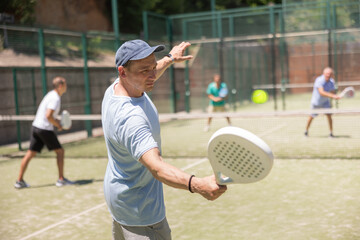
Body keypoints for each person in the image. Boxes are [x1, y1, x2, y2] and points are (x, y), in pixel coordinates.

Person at [101, 39, 227, 240]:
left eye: (153, 67)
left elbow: (151, 71)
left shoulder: (116, 88)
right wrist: (197, 184)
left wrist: (169, 59)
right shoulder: (131, 119)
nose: (152, 75)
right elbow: (157, 167)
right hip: (142, 212)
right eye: (144, 71)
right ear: (123, 72)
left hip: (120, 201)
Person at [14, 76, 74, 189]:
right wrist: (58, 125)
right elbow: (48, 116)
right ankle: (61, 180)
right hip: (44, 129)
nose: (66, 87)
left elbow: (48, 116)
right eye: (65, 84)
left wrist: (57, 123)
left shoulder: (51, 94)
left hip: (36, 127)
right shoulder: (55, 98)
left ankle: (19, 181)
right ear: (60, 86)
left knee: (30, 154)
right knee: (60, 152)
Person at [304, 67, 341, 137]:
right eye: (327, 73)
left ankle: (331, 133)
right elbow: (321, 92)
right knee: (311, 116)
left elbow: (332, 92)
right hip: (316, 102)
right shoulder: (319, 80)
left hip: (325, 102)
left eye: (330, 74)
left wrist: (335, 96)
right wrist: (333, 96)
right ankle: (306, 131)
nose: (328, 75)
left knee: (329, 115)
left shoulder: (332, 81)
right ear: (324, 73)